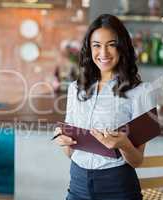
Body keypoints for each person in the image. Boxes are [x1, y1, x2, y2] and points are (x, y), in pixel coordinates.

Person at [54, 14, 156, 200]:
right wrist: (64, 141)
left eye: (111, 44)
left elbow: (137, 160)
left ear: (122, 47)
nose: (103, 53)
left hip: (117, 186)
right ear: (89, 48)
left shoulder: (142, 92)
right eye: (97, 45)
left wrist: (124, 145)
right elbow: (70, 153)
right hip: (77, 184)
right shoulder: (75, 89)